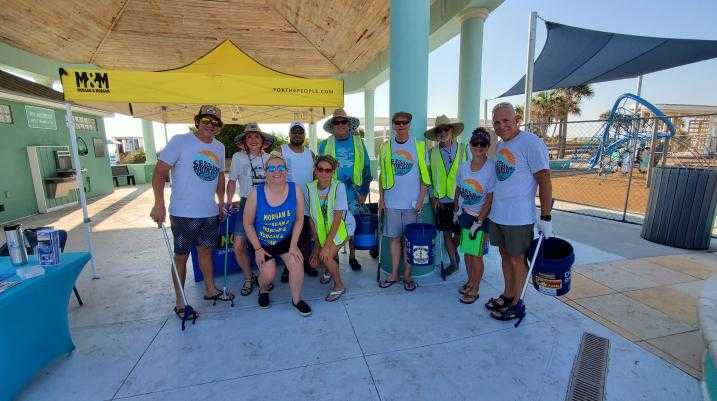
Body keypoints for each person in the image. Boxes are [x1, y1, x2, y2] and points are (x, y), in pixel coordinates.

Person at [150, 105, 228, 319]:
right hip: (183, 213)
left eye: (215, 123)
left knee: (206, 251)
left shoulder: (220, 147)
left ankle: (210, 290)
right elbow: (159, 172)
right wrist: (159, 204)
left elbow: (220, 177)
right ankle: (180, 302)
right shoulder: (180, 141)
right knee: (181, 256)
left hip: (209, 212)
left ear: (218, 127)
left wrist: (221, 202)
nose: (209, 125)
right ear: (197, 121)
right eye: (206, 120)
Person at [486, 102, 553, 321]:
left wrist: (545, 217)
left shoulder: (531, 143)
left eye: (506, 120)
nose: (501, 125)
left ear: (517, 120)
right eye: (497, 122)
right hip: (499, 214)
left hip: (519, 217)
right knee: (504, 256)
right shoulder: (502, 146)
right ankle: (508, 295)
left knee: (517, 259)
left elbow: (544, 180)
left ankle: (518, 304)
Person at [243, 151, 312, 316]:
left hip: (285, 240)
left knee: (296, 265)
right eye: (272, 168)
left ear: (286, 171)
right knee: (268, 274)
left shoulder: (295, 190)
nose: (277, 171)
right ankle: (263, 290)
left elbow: (299, 219)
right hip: (263, 243)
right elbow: (247, 223)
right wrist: (258, 249)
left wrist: (294, 245)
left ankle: (296, 300)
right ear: (265, 172)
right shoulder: (255, 194)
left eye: (281, 167)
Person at [378, 111, 431, 291]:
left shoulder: (420, 146)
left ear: (409, 124)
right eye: (397, 123)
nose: (401, 126)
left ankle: (407, 276)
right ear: (393, 125)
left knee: (410, 241)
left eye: (404, 123)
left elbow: (425, 176)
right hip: (392, 202)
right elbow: (382, 175)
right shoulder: (385, 147)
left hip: (412, 204)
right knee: (394, 239)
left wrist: (420, 200)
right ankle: (394, 274)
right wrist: (381, 198)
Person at [319, 108, 372, 271]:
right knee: (333, 225)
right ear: (333, 126)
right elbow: (318, 168)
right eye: (337, 122)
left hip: (354, 192)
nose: (340, 124)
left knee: (352, 224)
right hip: (332, 192)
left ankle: (352, 256)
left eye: (344, 121)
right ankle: (333, 258)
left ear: (349, 125)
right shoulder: (324, 144)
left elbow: (367, 168)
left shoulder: (359, 142)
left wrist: (364, 190)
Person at [225, 123, 273, 296]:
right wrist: (228, 202)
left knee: (264, 245)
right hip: (245, 203)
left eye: (256, 136)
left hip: (266, 204)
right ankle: (248, 277)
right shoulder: (238, 157)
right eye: (249, 137)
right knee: (238, 246)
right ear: (244, 141)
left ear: (262, 141)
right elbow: (231, 182)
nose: (253, 139)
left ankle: (264, 278)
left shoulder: (269, 158)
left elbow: (278, 182)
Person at [453, 128, 495, 304]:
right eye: (475, 143)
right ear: (470, 145)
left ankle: (475, 288)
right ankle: (470, 281)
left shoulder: (491, 168)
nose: (478, 147)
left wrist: (479, 221)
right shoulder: (463, 167)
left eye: (482, 144)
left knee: (476, 255)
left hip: (481, 219)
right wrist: (456, 209)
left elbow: (490, 199)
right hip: (465, 215)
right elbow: (458, 189)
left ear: (487, 146)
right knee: (468, 253)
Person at [425, 115, 467, 276]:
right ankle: (454, 263)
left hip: (461, 201)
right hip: (441, 200)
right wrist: (431, 196)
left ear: (452, 131)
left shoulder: (464, 149)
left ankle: (454, 252)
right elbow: (427, 177)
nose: (443, 133)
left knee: (461, 233)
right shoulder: (431, 153)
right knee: (446, 233)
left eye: (446, 129)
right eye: (439, 130)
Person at [306, 155, 350, 302]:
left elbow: (338, 219)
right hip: (322, 232)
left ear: (333, 172)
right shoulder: (309, 188)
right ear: (315, 170)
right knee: (316, 259)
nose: (324, 173)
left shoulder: (339, 187)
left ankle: (339, 285)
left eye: (328, 170)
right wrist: (317, 246)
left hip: (341, 229)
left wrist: (325, 248)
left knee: (326, 256)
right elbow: (311, 218)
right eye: (320, 169)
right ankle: (328, 270)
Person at [279, 121, 318, 281]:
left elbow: (316, 177)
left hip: (307, 201)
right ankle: (289, 269)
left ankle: (306, 264)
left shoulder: (311, 154)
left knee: (305, 236)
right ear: (289, 134)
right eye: (294, 131)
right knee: (288, 236)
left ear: (304, 135)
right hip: (287, 201)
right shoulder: (281, 150)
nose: (297, 134)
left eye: (300, 132)